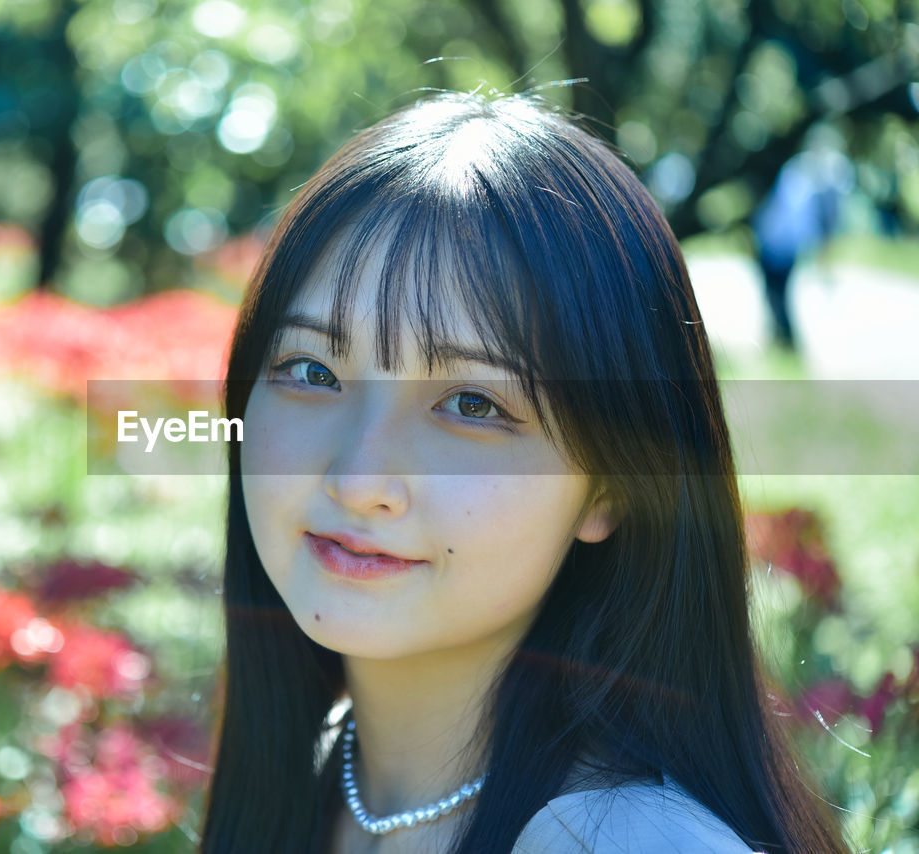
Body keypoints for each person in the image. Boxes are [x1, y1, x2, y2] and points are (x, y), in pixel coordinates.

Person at [197, 92, 849, 853]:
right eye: (310, 370)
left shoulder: (620, 841)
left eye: (472, 403)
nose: (357, 477)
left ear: (610, 485)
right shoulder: (314, 776)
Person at [751, 125, 854, 352]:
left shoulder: (816, 174)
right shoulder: (798, 170)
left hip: (783, 242)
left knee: (778, 290)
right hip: (773, 238)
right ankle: (781, 336)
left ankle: (785, 338)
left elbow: (821, 216)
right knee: (774, 289)